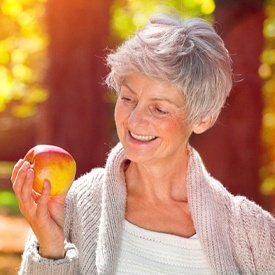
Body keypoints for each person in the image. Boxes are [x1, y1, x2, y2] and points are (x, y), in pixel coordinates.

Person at [11, 11, 275, 275]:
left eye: (159, 109)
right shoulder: (74, 207)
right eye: (128, 98)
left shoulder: (252, 233)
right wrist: (52, 248)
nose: (134, 122)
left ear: (203, 119)